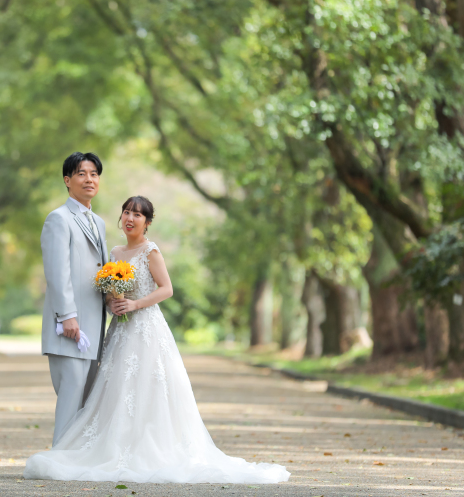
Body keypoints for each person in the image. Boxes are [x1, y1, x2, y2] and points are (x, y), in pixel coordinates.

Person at [24, 196, 290, 484]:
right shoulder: (114, 252)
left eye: (138, 215)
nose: (130, 218)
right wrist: (113, 301)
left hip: (147, 329)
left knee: (149, 386)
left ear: (147, 223)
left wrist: (136, 305)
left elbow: (167, 289)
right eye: (126, 212)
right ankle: (112, 443)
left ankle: (149, 445)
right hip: (120, 330)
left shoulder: (150, 251)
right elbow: (109, 290)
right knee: (116, 388)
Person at [39, 152, 108, 446]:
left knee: (88, 398)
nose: (89, 179)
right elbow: (57, 272)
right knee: (70, 395)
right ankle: (57, 462)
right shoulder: (58, 219)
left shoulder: (100, 223)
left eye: (94, 173)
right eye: (82, 173)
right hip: (69, 326)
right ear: (68, 181)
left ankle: (75, 459)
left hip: (95, 325)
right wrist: (67, 315)